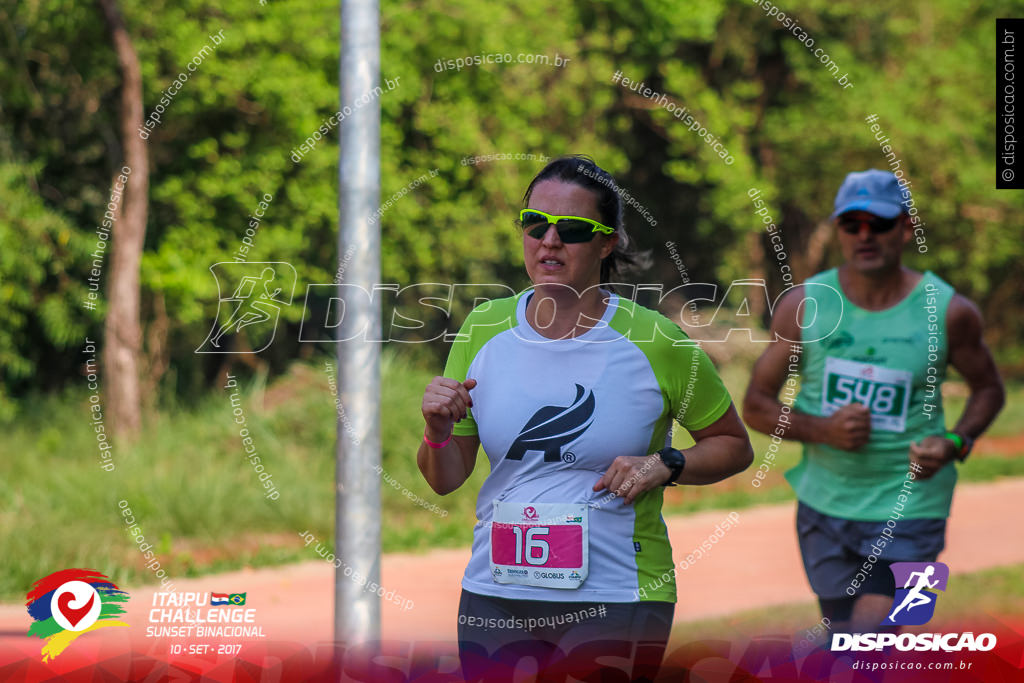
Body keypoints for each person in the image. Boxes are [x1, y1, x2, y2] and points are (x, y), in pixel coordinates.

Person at [417, 155, 753, 680]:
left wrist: (667, 462)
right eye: (535, 224)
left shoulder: (655, 341)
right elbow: (446, 478)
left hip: (616, 594)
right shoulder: (483, 328)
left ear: (607, 242)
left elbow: (733, 444)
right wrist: (437, 433)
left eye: (572, 229)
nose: (549, 240)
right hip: (495, 594)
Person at [743, 169, 1005, 635]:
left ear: (905, 228)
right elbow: (757, 405)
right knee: (845, 639)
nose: (865, 235)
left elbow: (989, 388)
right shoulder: (806, 305)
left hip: (912, 506)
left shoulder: (947, 311)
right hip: (826, 504)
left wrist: (954, 441)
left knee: (868, 641)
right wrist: (823, 430)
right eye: (852, 224)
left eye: (879, 224)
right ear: (839, 229)